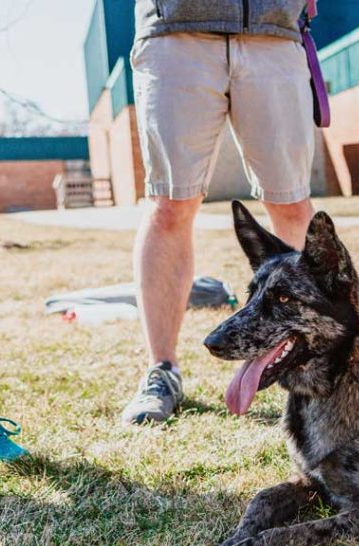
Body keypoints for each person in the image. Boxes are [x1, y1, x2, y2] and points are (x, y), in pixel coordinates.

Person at [121, 0, 316, 425]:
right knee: (170, 203)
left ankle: (316, 362)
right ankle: (162, 371)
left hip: (274, 35)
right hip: (175, 32)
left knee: (292, 202)